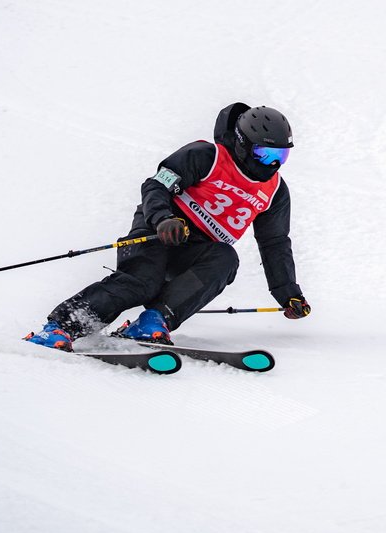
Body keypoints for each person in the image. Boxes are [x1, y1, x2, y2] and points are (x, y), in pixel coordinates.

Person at [25, 102, 309, 351]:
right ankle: (62, 327)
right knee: (141, 283)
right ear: (242, 143)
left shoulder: (274, 191)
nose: (272, 164)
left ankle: (152, 323)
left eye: (280, 156)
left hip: (198, 251)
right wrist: (163, 219)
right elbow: (156, 185)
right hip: (160, 233)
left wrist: (288, 293)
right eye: (265, 154)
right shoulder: (205, 156)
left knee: (226, 258)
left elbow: (275, 243)